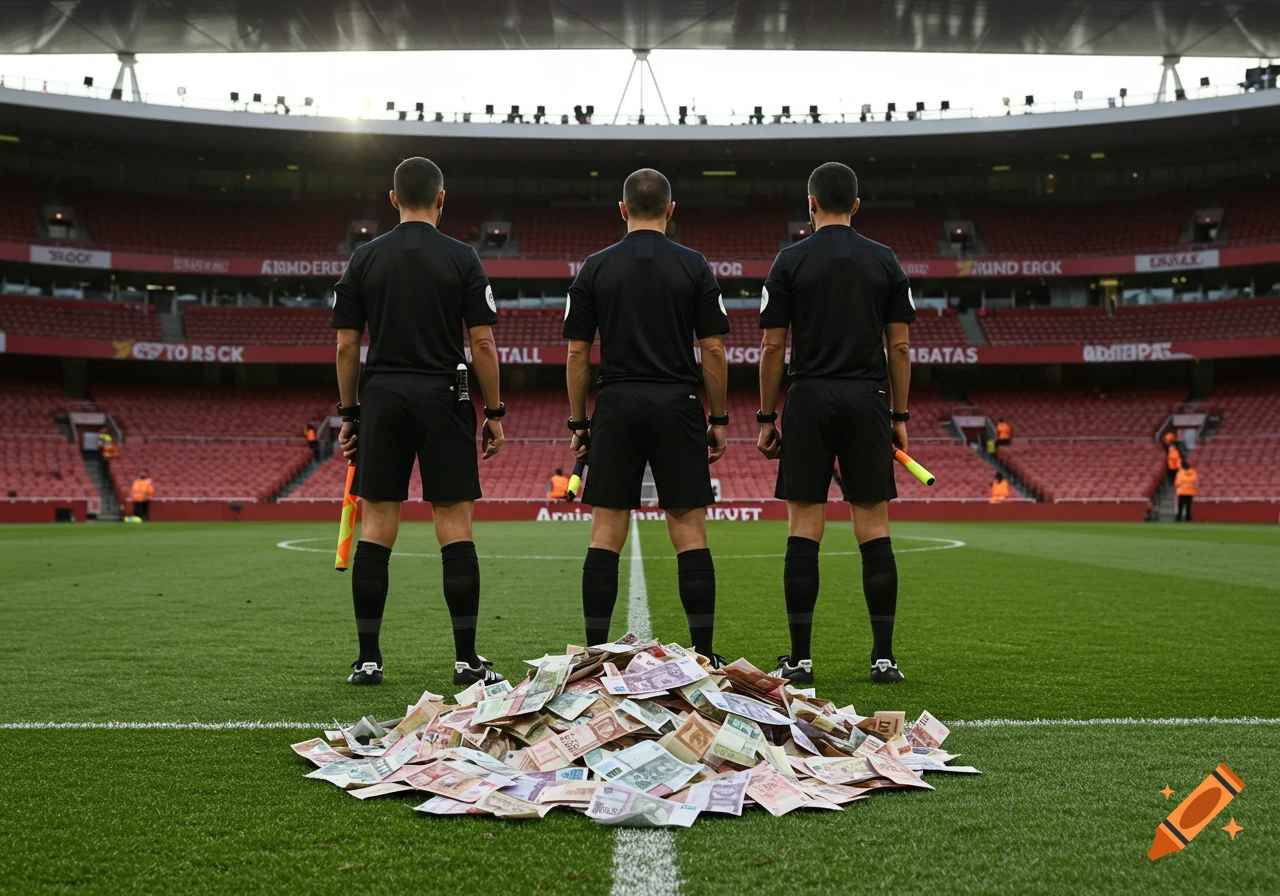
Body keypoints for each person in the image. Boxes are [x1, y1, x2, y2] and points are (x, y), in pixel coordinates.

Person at [333, 156, 507, 688]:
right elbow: (481, 342)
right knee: (454, 527)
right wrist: (494, 411)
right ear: (441, 198)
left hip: (383, 396)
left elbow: (345, 346)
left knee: (378, 529)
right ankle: (466, 660)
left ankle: (368, 659)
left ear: (392, 200)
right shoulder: (462, 257)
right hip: (444, 395)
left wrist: (350, 412)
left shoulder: (364, 257)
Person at [757, 161, 915, 686]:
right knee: (874, 528)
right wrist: (898, 415)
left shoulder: (789, 261)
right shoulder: (885, 261)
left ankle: (800, 660)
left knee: (805, 529)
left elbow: (772, 346)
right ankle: (883, 658)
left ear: (810, 203)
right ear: (856, 205)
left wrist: (765, 416)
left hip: (807, 398)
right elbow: (899, 346)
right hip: (867, 396)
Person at [564, 168, 730, 663]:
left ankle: (594, 655)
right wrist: (717, 419)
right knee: (689, 532)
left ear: (622, 209)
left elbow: (577, 355)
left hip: (616, 403)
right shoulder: (694, 265)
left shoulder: (594, 267)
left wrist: (579, 423)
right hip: (678, 402)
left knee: (605, 532)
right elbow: (715, 351)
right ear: (671, 211)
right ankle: (704, 653)